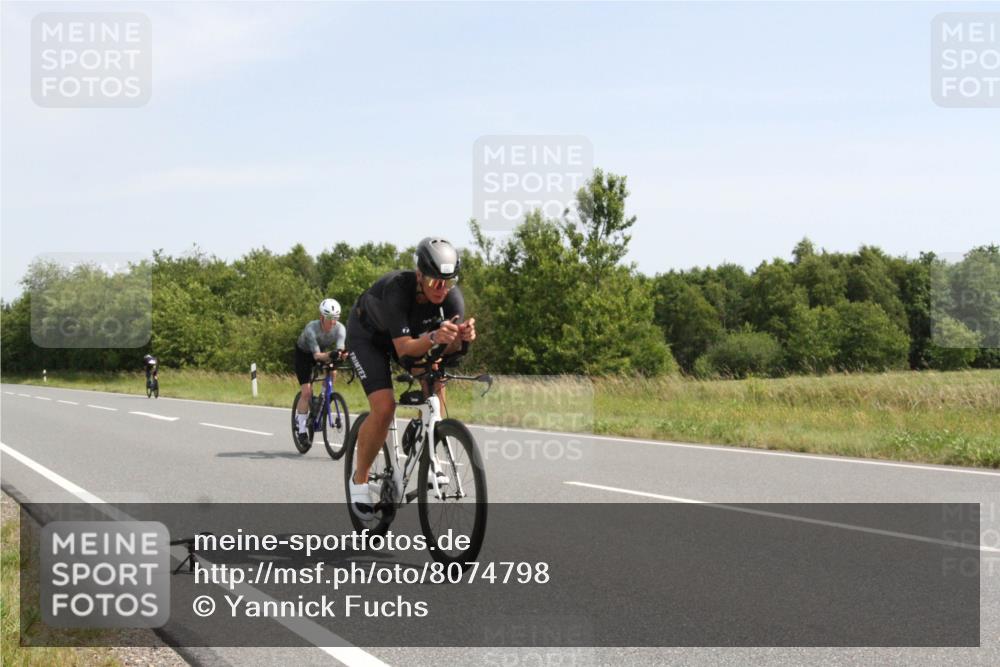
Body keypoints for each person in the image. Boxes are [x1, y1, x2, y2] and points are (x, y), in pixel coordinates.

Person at [346, 237, 476, 519]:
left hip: (409, 340)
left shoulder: (452, 299)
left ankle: (427, 445)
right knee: (384, 407)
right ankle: (359, 481)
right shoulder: (397, 290)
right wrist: (433, 336)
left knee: (436, 380)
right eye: (434, 282)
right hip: (368, 338)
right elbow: (404, 349)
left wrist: (463, 339)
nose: (442, 289)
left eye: (448, 281)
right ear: (419, 275)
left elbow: (446, 353)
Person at [294, 298, 347, 446]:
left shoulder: (340, 328)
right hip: (304, 354)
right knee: (306, 392)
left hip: (322, 352)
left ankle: (322, 398)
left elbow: (340, 349)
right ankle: (302, 429)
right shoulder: (311, 328)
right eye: (330, 318)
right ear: (321, 317)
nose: (333, 322)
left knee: (333, 372)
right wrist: (333, 354)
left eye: (336, 318)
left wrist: (342, 354)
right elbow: (317, 356)